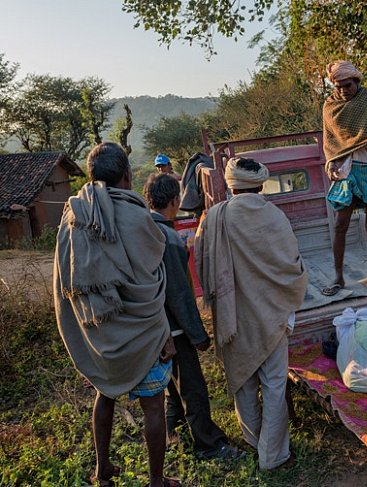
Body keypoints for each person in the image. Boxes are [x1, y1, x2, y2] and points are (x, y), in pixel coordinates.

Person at [53, 142, 180, 487]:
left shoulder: (73, 213)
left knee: (105, 393)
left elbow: (66, 276)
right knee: (153, 405)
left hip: (100, 330)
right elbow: (151, 282)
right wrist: (164, 331)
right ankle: (156, 481)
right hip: (141, 331)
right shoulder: (137, 216)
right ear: (127, 175)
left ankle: (103, 470)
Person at [195, 157, 308, 470]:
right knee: (274, 384)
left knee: (243, 379)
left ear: (231, 185)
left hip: (233, 317)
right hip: (271, 315)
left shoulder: (214, 217)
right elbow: (292, 265)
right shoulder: (273, 216)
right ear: (260, 185)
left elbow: (202, 266)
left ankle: (253, 441)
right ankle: (273, 456)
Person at [143, 173, 242, 462]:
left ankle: (174, 432)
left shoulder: (143, 230)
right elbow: (180, 295)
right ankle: (208, 445)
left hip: (150, 327)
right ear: (175, 201)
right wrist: (198, 335)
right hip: (173, 330)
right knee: (193, 388)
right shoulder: (169, 238)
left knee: (171, 384)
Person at [321, 60, 367, 296]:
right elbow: (331, 140)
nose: (344, 90)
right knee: (340, 223)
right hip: (346, 168)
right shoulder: (330, 106)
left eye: (348, 85)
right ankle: (338, 277)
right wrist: (333, 159)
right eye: (340, 86)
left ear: (356, 81)